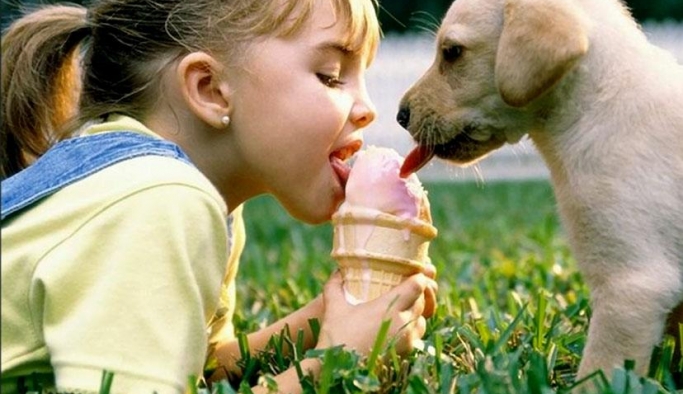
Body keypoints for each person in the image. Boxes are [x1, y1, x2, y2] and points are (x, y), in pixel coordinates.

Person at [0, 0, 438, 393]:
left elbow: (201, 369)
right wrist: (337, 362)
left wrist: (322, 319)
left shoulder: (190, 196)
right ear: (209, 87)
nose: (367, 107)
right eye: (332, 76)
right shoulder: (158, 200)